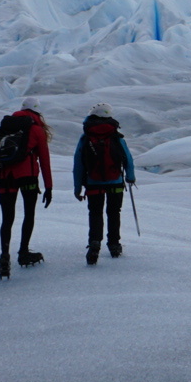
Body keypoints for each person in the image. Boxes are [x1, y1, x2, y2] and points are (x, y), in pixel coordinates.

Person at [0, 96, 55, 278]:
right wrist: (49, 186)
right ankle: (23, 253)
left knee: (7, 217)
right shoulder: (36, 129)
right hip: (27, 176)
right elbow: (44, 160)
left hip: (5, 176)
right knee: (28, 214)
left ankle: (4, 257)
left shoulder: (4, 126)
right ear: (37, 112)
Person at [72, 101, 135, 265]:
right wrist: (130, 177)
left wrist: (77, 187)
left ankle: (94, 244)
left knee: (95, 213)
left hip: (93, 183)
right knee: (114, 213)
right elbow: (127, 157)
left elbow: (78, 164)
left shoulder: (86, 137)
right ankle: (114, 245)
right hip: (115, 182)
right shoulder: (115, 136)